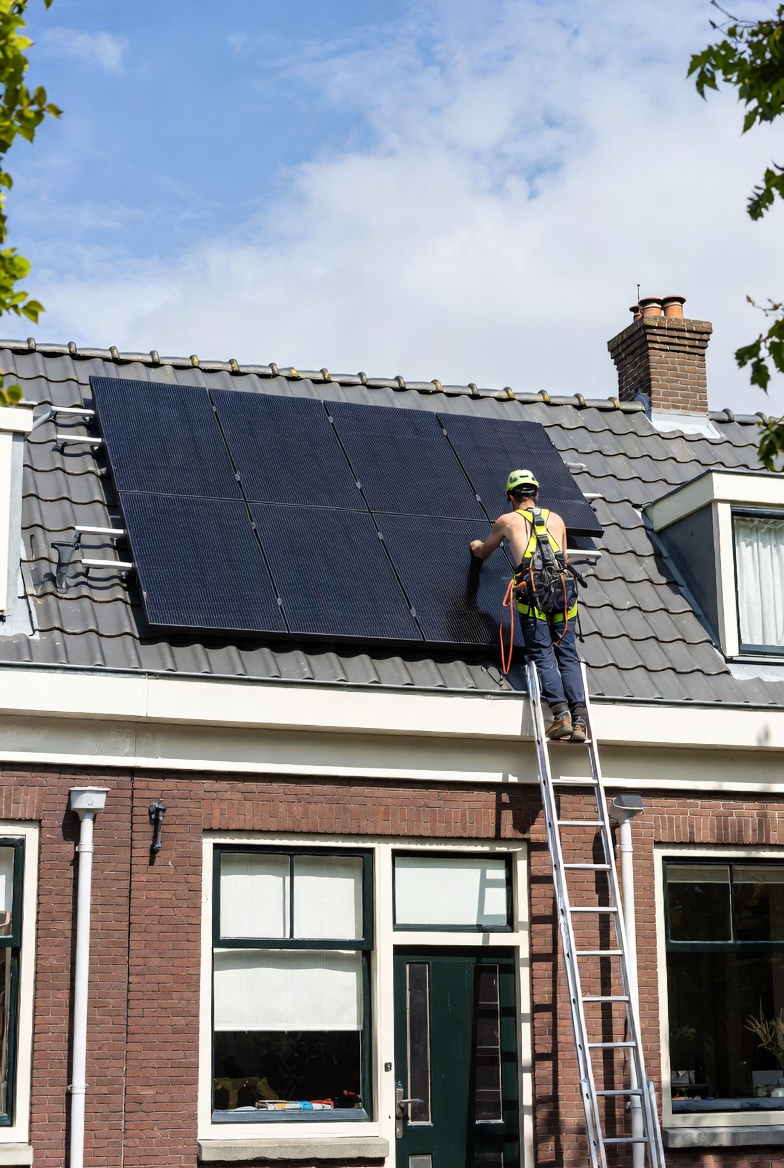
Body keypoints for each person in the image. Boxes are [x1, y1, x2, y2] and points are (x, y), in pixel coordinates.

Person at [469, 468, 587, 742]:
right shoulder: (557, 519)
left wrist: (476, 546)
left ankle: (561, 717)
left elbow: (483, 552)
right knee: (567, 655)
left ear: (511, 496)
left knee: (543, 653)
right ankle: (580, 721)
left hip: (533, 592)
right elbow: (564, 557)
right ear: (536, 494)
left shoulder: (507, 520)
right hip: (563, 590)